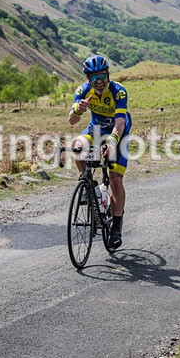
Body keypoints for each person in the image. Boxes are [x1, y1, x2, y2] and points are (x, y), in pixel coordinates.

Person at [69, 55, 131, 248]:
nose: (99, 81)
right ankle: (89, 184)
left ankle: (116, 228)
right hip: (95, 128)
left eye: (102, 76)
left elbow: (120, 122)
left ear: (108, 75)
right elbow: (72, 120)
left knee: (115, 180)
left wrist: (112, 141)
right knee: (76, 148)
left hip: (118, 131)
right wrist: (78, 109)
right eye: (94, 78)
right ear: (89, 79)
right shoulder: (83, 91)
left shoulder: (118, 91)